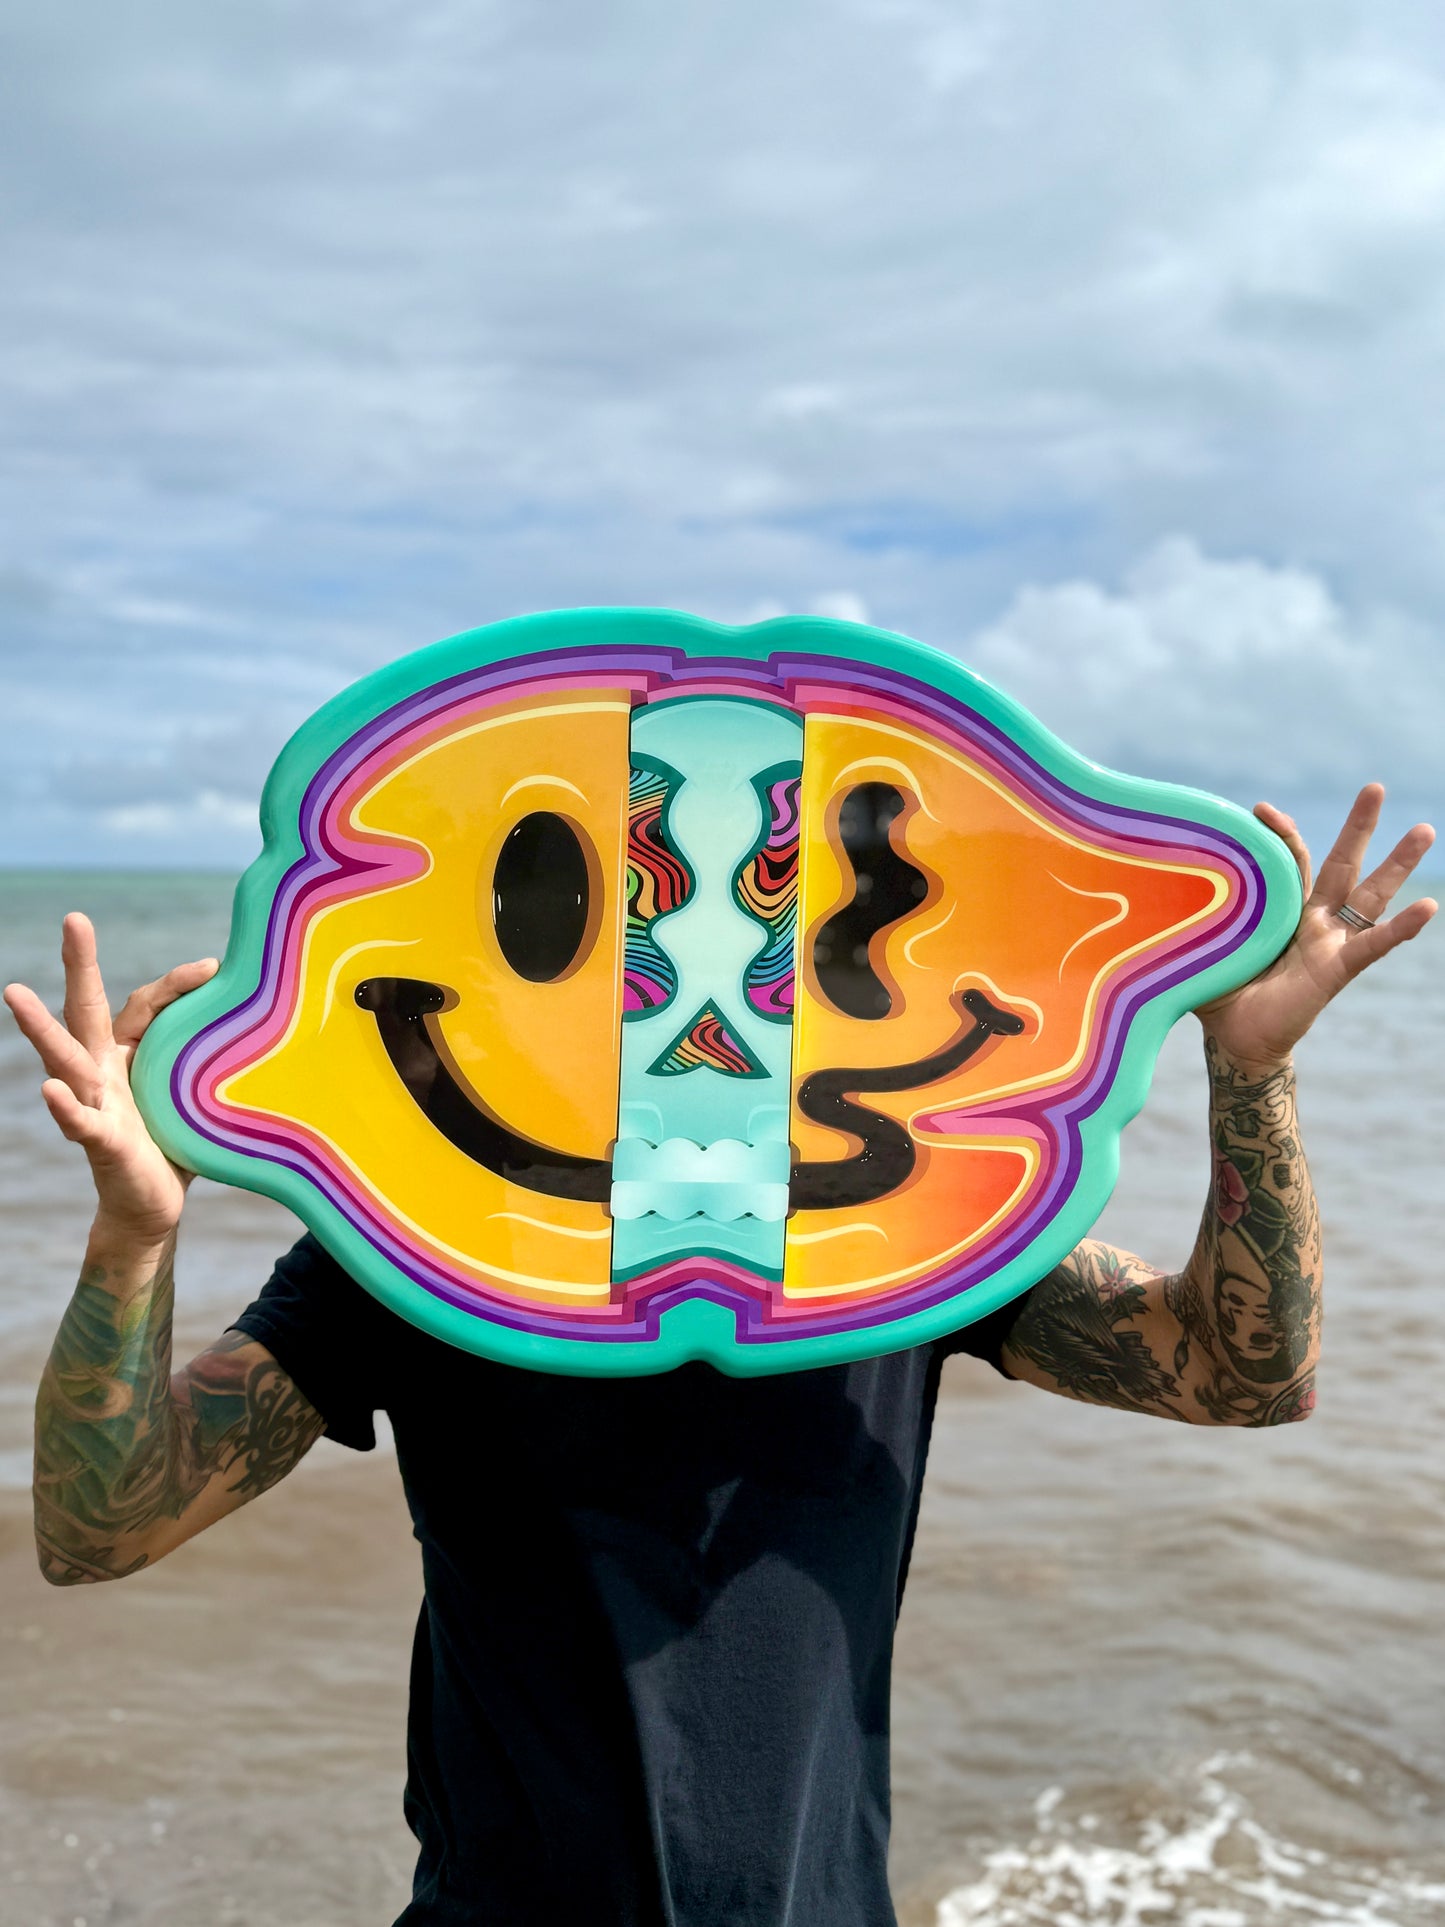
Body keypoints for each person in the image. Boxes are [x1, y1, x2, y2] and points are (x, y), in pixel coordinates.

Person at [5, 784, 1435, 1927]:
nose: (685, 993)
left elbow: (1239, 1375)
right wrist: (135, 1236)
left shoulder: (907, 1231)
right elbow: (98, 1528)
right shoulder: (414, 1244)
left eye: (756, 929)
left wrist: (1249, 1074)